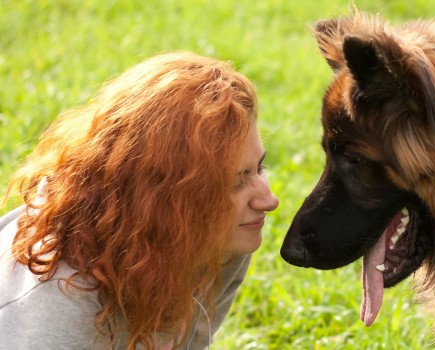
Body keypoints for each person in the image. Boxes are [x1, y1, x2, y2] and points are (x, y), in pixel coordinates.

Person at [0, 51, 279, 349]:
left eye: (258, 168)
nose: (269, 200)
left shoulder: (224, 232)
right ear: (164, 201)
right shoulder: (60, 304)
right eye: (236, 181)